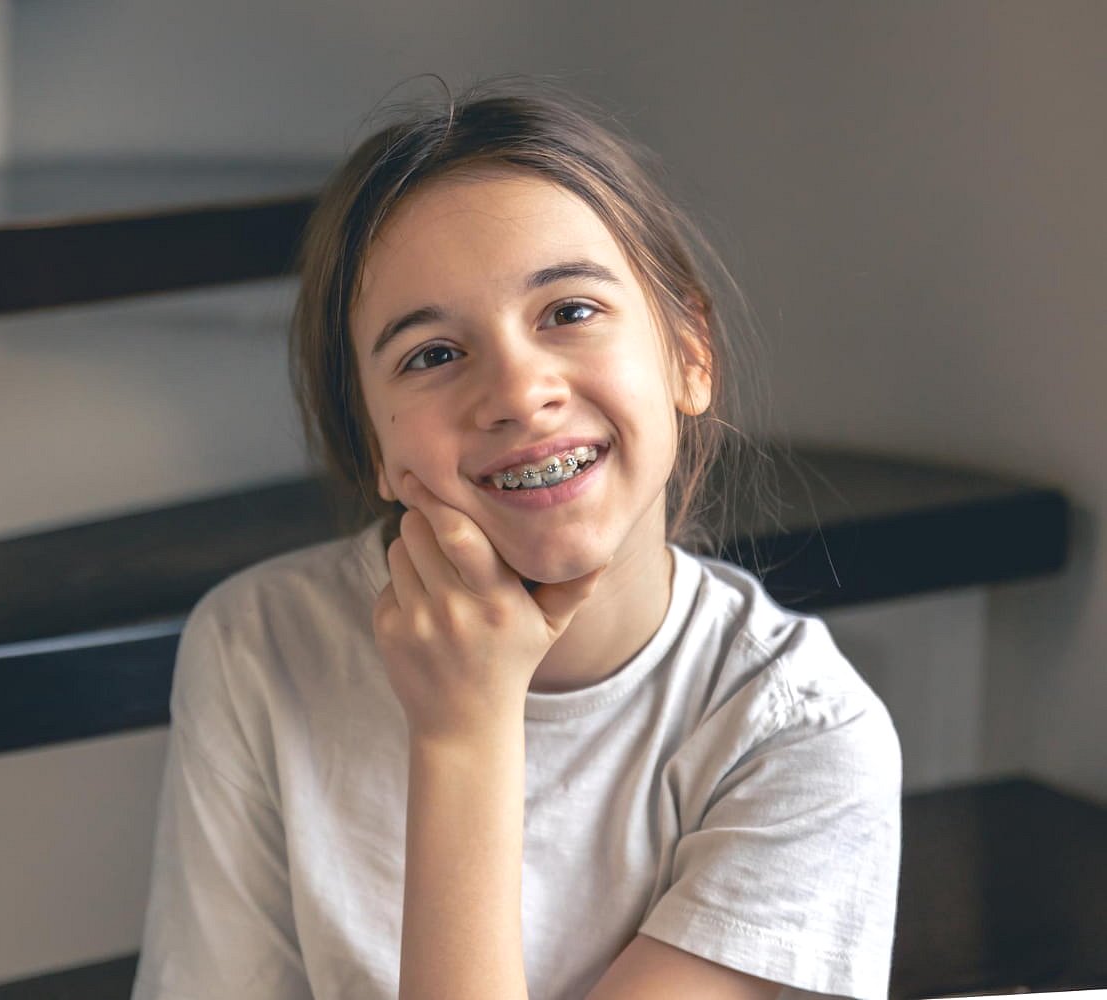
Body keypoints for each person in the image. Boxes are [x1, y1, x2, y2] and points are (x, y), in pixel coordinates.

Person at [130, 83, 902, 1000]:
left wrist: (467, 732)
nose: (517, 390)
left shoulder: (801, 743)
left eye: (569, 311)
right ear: (372, 443)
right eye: (432, 354)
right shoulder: (261, 646)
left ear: (689, 352)